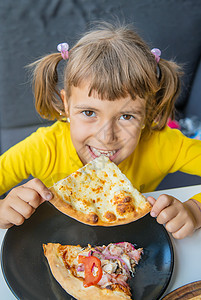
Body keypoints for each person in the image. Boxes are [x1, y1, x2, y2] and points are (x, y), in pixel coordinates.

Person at [0, 22, 201, 238]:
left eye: (126, 116)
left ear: (148, 113)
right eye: (89, 112)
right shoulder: (42, 149)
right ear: (66, 104)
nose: (106, 137)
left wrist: (195, 211)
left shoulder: (164, 145)